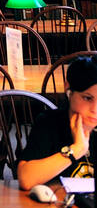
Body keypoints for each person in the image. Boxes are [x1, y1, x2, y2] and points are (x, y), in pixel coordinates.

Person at [18, 55, 97, 192]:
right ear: (69, 90)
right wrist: (77, 149)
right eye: (87, 98)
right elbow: (26, 179)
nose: (95, 110)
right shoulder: (49, 123)